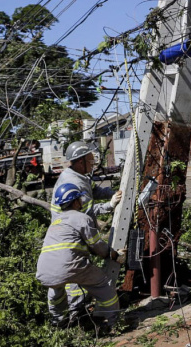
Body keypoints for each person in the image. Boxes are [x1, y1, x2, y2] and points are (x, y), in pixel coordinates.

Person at [37, 183, 125, 329]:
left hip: (45, 272)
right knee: (104, 284)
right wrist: (115, 255)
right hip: (71, 267)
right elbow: (98, 248)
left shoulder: (55, 223)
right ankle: (114, 323)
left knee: (55, 292)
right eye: (80, 199)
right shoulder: (81, 218)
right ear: (76, 201)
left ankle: (58, 325)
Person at [50, 141, 122, 318]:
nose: (92, 163)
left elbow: (94, 190)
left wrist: (112, 192)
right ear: (80, 161)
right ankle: (76, 313)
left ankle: (65, 315)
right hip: (71, 232)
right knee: (75, 270)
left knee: (73, 272)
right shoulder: (74, 181)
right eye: (90, 160)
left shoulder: (79, 176)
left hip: (68, 229)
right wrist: (110, 205)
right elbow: (86, 212)